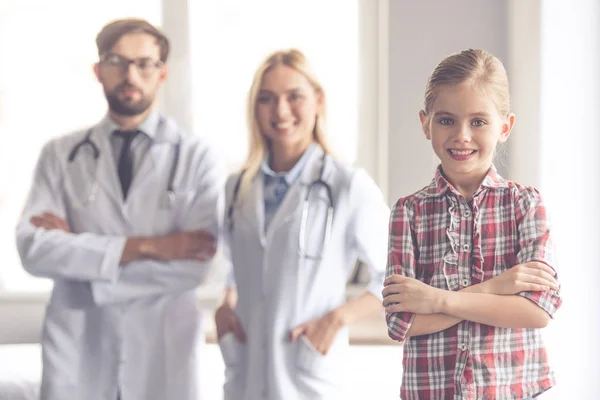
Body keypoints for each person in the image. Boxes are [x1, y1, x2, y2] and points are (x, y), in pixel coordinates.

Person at [15, 18, 225, 400]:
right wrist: (150, 247)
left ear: (161, 74)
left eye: (144, 63)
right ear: (98, 71)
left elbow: (199, 264)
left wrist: (81, 258)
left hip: (163, 354)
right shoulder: (60, 155)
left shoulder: (197, 157)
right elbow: (33, 249)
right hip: (80, 353)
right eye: (117, 61)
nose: (131, 74)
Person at [382, 49, 562, 400]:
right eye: (446, 120)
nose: (462, 135)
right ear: (425, 123)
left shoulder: (525, 204)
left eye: (478, 122)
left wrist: (435, 299)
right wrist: (497, 287)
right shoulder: (408, 213)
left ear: (504, 127)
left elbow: (536, 310)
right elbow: (403, 323)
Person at [213, 49, 390, 400]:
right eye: (267, 99)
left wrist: (338, 319)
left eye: (294, 96)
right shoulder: (237, 188)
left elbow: (400, 274)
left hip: (308, 376)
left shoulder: (346, 185)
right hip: (246, 377)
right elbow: (238, 266)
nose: (280, 111)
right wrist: (225, 305)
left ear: (318, 101)